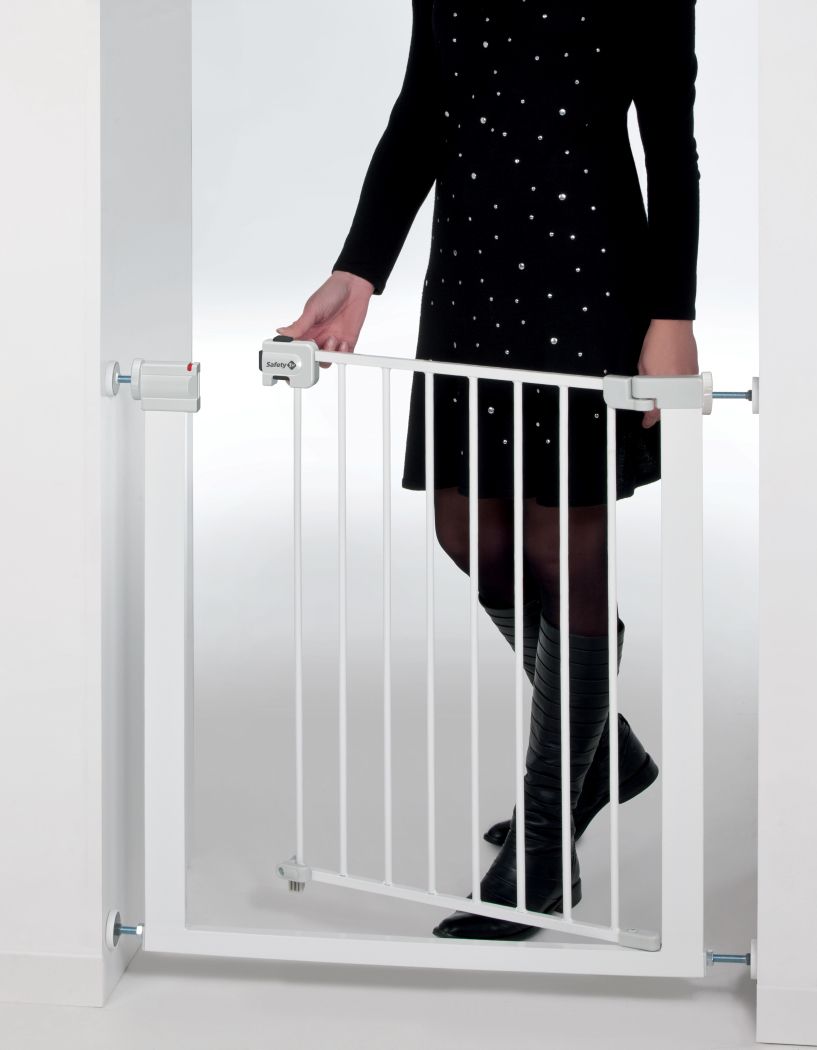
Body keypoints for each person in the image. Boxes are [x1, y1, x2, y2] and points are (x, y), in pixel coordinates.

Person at [278, 0, 700, 939]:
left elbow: (670, 142)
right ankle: (605, 751)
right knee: (465, 530)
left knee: (560, 548)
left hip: (589, 271)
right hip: (469, 270)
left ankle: (545, 851)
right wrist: (358, 269)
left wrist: (672, 314)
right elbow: (423, 109)